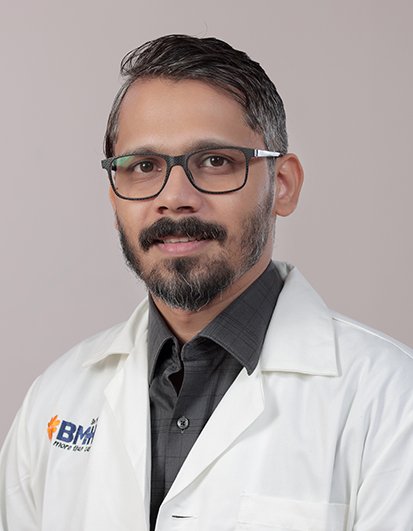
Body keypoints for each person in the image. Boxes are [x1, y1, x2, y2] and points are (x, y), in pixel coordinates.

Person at [1, 34, 412, 531]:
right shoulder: (56, 398)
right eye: (144, 167)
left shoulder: (391, 400)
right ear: (114, 198)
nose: (174, 197)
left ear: (282, 185)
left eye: (215, 161)